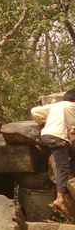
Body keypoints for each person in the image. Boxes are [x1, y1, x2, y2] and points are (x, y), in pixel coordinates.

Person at [31, 90, 75, 218]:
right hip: (57, 138)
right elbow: (72, 130)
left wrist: (41, 123)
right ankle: (60, 199)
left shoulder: (56, 106)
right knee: (62, 167)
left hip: (48, 135)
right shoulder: (72, 106)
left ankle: (70, 179)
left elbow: (34, 111)